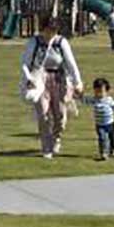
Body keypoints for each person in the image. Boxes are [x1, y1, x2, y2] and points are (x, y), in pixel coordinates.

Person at [20, 16, 83, 159]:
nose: (50, 34)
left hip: (59, 78)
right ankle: (46, 147)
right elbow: (25, 62)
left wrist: (78, 82)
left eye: (53, 31)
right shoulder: (34, 42)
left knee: (60, 114)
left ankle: (57, 137)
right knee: (43, 113)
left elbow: (71, 64)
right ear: (42, 29)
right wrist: (29, 78)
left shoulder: (61, 42)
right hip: (39, 79)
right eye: (48, 31)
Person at [87, 78, 114, 160]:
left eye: (101, 91)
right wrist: (77, 95)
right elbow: (84, 100)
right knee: (102, 138)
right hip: (100, 125)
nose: (99, 93)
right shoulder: (94, 100)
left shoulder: (109, 100)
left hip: (110, 124)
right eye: (97, 91)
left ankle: (113, 150)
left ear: (106, 91)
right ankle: (103, 153)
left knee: (113, 137)